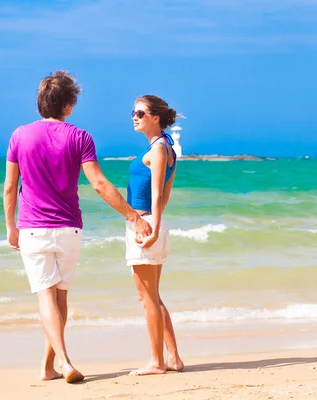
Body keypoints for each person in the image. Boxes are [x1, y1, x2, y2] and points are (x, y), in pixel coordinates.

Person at [3, 70, 151, 383]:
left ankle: (65, 362)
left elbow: (9, 187)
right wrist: (133, 215)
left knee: (46, 297)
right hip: (69, 228)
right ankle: (48, 367)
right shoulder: (79, 137)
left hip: (32, 228)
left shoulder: (19, 135)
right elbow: (98, 183)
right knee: (60, 298)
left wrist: (10, 227)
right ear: (68, 105)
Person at [125, 95, 185, 376]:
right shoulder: (165, 147)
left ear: (155, 117)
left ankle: (156, 362)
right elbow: (165, 194)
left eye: (140, 112)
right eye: (133, 112)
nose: (134, 117)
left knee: (146, 298)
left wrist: (152, 228)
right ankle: (173, 357)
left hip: (145, 225)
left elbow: (160, 193)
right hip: (150, 223)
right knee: (154, 296)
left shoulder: (160, 149)